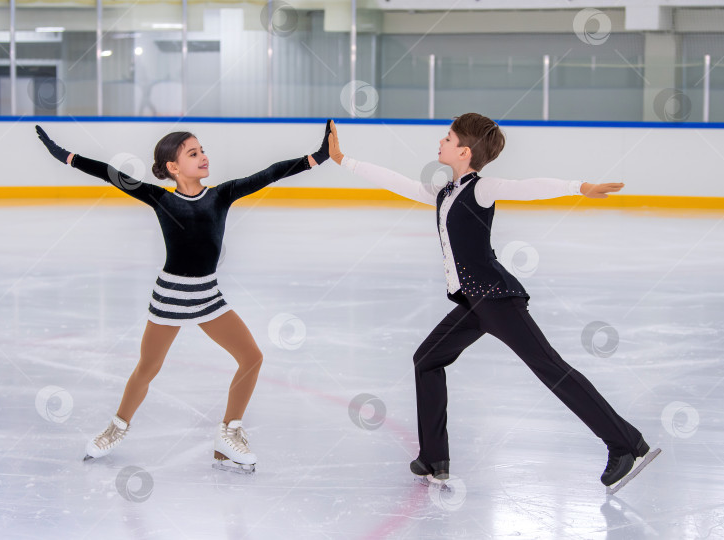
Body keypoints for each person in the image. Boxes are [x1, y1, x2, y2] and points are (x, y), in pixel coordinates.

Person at [326, 114, 659, 492]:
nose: (441, 140)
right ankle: (434, 457)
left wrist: (579, 187)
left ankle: (626, 445)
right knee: (427, 359)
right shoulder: (443, 193)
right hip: (473, 303)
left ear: (464, 151)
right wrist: (343, 160)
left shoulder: (481, 189)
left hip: (496, 301)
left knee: (550, 367)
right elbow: (396, 182)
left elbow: (528, 187)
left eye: (448, 138)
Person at [35, 120, 333, 473]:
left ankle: (229, 433)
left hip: (208, 295)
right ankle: (116, 428)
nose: (203, 156)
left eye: (202, 150)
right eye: (193, 153)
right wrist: (64, 155)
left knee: (251, 357)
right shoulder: (158, 198)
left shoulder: (222, 194)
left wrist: (319, 156)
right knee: (147, 368)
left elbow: (270, 173)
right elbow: (108, 172)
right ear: (173, 168)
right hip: (170, 298)